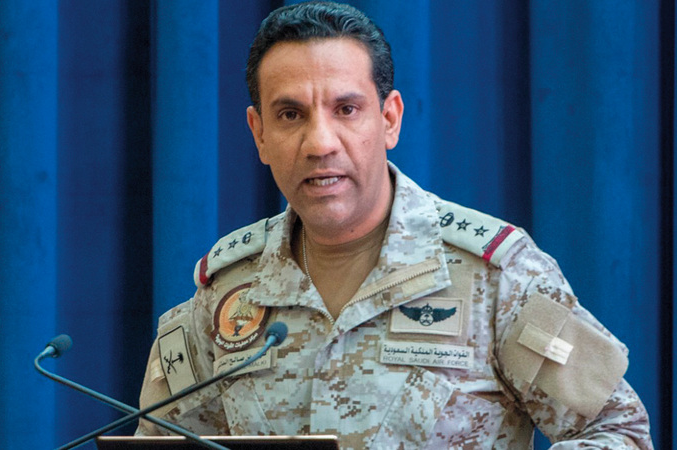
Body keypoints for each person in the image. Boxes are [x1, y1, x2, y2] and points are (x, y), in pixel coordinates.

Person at [135, 2, 652, 448]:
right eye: (290, 115)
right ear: (259, 134)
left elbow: (618, 431)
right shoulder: (228, 290)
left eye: (346, 109)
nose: (320, 143)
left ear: (389, 119)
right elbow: (158, 440)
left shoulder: (497, 276)